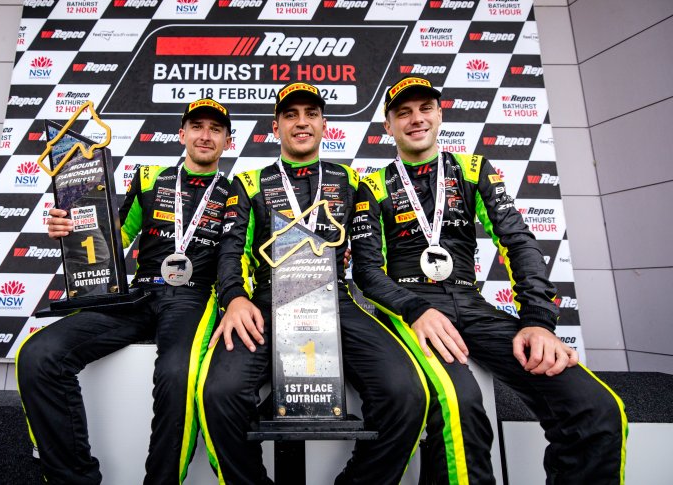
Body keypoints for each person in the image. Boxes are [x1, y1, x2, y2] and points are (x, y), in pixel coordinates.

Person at [351, 76, 628, 484]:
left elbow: (517, 241)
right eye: (403, 113)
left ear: (440, 114)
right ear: (388, 126)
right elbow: (367, 271)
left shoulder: (473, 169)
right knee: (459, 409)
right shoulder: (372, 186)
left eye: (425, 109)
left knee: (596, 407)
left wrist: (538, 320)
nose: (416, 119)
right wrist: (415, 309)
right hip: (411, 310)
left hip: (473, 306)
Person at [198, 82, 430, 485]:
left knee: (406, 393)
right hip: (268, 302)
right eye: (290, 115)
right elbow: (230, 252)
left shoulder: (351, 180)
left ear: (324, 125)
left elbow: (369, 262)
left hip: (336, 299)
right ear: (276, 127)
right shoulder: (249, 182)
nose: (301, 122)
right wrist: (234, 297)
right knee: (219, 394)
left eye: (311, 114)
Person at [16, 98, 233, 484]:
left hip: (194, 297)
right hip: (139, 293)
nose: (205, 135)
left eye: (215, 129)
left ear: (228, 142)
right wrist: (72, 229)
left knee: (177, 376)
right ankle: (74, 478)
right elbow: (111, 240)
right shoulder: (150, 179)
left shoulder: (235, 193)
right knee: (38, 354)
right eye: (197, 126)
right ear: (181, 134)